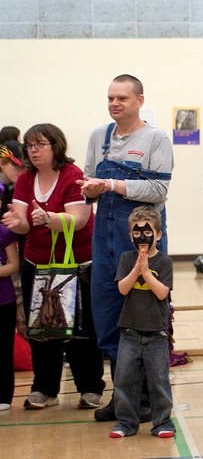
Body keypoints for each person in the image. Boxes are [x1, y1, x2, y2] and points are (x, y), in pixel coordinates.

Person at [78, 74, 174, 421]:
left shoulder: (156, 138)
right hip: (104, 237)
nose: (114, 104)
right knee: (107, 311)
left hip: (140, 235)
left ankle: (148, 396)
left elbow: (158, 192)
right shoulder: (98, 136)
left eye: (122, 98)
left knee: (143, 311)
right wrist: (89, 190)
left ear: (139, 100)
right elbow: (89, 185)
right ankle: (123, 398)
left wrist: (113, 184)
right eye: (110, 98)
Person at [2, 124, 106, 410]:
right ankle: (44, 390)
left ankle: (90, 387)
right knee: (42, 329)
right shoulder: (26, 179)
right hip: (37, 263)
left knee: (81, 329)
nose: (33, 150)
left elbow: (79, 218)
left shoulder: (73, 177)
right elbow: (24, 222)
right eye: (30, 146)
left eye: (40, 144)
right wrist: (17, 222)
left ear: (56, 146)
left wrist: (48, 218)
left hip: (77, 263)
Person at [109, 206, 175, 438]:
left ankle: (162, 422)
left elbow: (161, 293)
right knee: (125, 380)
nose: (142, 238)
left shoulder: (165, 262)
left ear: (158, 234)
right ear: (130, 236)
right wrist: (137, 268)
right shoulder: (127, 259)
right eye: (136, 234)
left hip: (156, 334)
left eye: (147, 232)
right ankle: (126, 423)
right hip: (129, 332)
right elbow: (122, 288)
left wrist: (147, 273)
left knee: (158, 381)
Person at [0, 219, 19, 411]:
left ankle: (3, 394)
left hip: (3, 302)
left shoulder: (4, 232)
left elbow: (14, 265)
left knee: (3, 350)